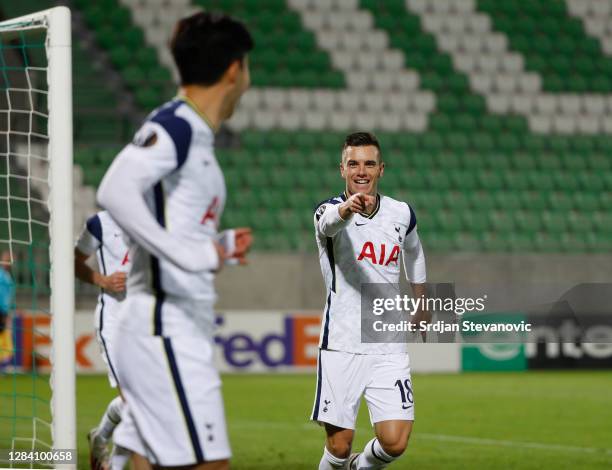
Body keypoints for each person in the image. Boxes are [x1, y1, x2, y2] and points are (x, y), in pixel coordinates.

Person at [96, 11, 253, 470]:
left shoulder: (192, 132)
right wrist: (189, 253)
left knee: (142, 461)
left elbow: (170, 218)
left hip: (164, 325)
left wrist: (216, 245)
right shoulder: (178, 125)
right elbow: (113, 189)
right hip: (165, 328)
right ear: (234, 69)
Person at [311, 132, 428, 470]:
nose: (361, 171)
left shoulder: (401, 213)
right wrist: (347, 209)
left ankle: (360, 467)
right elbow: (330, 224)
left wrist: (422, 302)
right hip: (342, 344)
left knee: (395, 442)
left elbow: (415, 251)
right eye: (353, 164)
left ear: (381, 169)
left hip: (388, 343)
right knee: (338, 446)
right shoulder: (327, 211)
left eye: (369, 164)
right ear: (342, 170)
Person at [74, 211, 132, 470]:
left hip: (147, 323)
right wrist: (102, 280)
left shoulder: (157, 219)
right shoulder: (100, 223)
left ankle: (101, 437)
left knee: (145, 403)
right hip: (115, 323)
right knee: (136, 407)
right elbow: (74, 261)